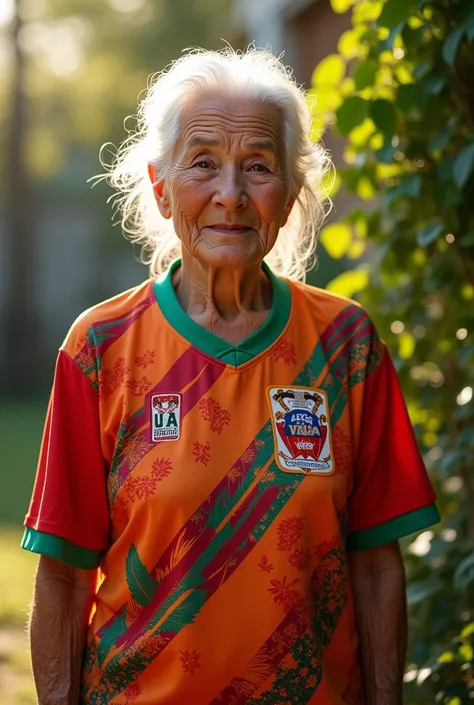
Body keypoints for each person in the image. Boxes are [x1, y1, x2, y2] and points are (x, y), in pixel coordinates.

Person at [22, 47, 440, 705]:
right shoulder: (99, 349)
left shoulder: (346, 345)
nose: (230, 195)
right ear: (162, 188)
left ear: (291, 193)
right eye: (204, 162)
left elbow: (376, 566)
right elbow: (65, 578)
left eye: (258, 167)